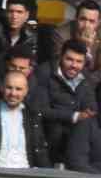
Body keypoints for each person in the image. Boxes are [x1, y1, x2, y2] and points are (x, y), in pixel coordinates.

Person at [30, 37, 97, 165]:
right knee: (56, 130)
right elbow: (40, 110)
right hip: (48, 133)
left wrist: (88, 113)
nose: (74, 65)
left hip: (76, 132)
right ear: (61, 57)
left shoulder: (86, 77)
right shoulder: (44, 73)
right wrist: (74, 116)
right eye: (69, 59)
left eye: (79, 61)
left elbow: (91, 106)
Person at [45, 0, 101, 79]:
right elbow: (60, 68)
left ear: (98, 23)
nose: (86, 25)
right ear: (76, 18)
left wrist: (88, 83)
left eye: (91, 21)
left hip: (90, 83)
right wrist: (83, 46)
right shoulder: (61, 35)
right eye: (83, 19)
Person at [0, 0, 37, 68]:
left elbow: (32, 64)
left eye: (19, 12)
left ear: (27, 15)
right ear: (5, 13)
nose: (14, 16)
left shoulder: (31, 35)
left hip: (23, 74)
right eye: (10, 11)